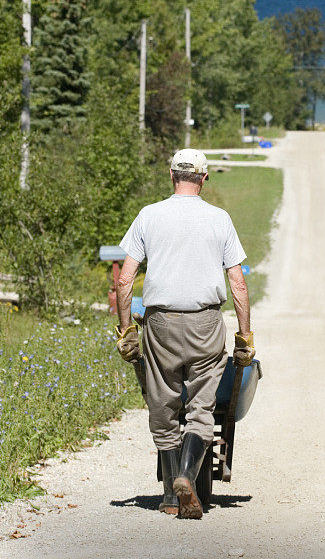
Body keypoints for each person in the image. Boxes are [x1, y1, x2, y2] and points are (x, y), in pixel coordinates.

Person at [114, 148, 255, 519]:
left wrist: (128, 329)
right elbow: (237, 284)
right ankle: (188, 477)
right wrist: (244, 336)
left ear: (171, 176)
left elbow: (126, 278)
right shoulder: (219, 219)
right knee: (201, 406)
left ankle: (169, 496)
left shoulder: (149, 215)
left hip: (160, 323)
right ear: (204, 179)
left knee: (163, 403)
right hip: (206, 324)